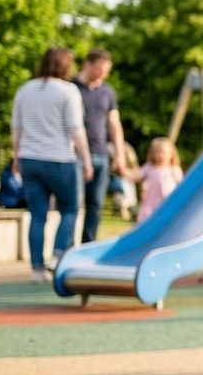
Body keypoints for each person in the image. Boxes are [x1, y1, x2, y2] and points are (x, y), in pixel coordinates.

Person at [12, 46, 93, 282]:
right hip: (59, 159)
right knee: (69, 210)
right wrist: (86, 160)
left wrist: (16, 157)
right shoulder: (68, 91)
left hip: (29, 159)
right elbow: (76, 130)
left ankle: (37, 269)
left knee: (37, 216)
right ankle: (58, 255)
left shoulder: (24, 89)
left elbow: (16, 129)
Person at [74, 48, 127, 243]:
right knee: (74, 204)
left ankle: (88, 245)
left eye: (106, 71)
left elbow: (114, 125)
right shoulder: (71, 87)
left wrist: (119, 155)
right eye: (99, 70)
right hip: (76, 156)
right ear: (88, 64)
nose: (102, 75)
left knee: (95, 206)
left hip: (101, 155)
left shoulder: (107, 91)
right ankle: (68, 250)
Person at [120, 138, 182, 222]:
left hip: (167, 203)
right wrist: (123, 171)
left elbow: (182, 186)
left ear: (171, 153)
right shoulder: (149, 168)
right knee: (146, 221)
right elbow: (136, 176)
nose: (158, 155)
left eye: (162, 152)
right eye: (155, 152)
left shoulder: (174, 170)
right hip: (150, 204)